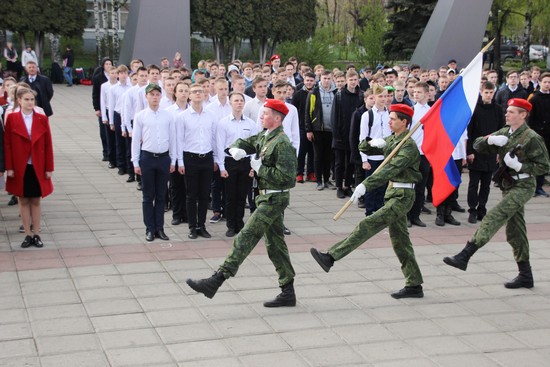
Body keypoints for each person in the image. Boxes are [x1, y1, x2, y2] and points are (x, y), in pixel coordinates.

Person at [186, 99, 298, 307]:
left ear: (277, 118)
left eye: (265, 114)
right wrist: (235, 148)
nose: (261, 116)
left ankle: (216, 280)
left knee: (245, 237)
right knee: (276, 246)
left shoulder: (282, 143)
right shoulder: (266, 135)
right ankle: (288, 291)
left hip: (275, 198)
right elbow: (248, 142)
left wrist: (259, 167)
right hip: (266, 195)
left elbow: (288, 178)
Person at [310, 104, 424, 299]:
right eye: (389, 117)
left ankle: (331, 257)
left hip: (403, 196)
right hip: (393, 193)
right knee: (401, 243)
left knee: (368, 224)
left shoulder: (408, 147)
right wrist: (372, 143)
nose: (389, 121)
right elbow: (362, 146)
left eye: (393, 118)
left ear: (405, 122)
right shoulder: (393, 140)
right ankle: (414, 284)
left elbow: (390, 170)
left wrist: (365, 185)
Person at [443, 98, 550, 289]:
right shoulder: (505, 133)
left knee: (495, 216)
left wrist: (519, 165)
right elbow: (476, 145)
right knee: (515, 231)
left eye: (512, 112)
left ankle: (465, 255)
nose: (506, 114)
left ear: (523, 115)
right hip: (508, 185)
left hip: (523, 186)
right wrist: (489, 140)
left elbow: (544, 166)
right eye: (507, 111)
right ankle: (525, 275)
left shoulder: (532, 138)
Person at [4, 87, 54, 248]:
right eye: (26, 99)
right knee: (23, 200)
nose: (30, 102)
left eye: (32, 99)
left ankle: (37, 233)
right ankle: (27, 234)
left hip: (37, 164)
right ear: (19, 100)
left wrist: (49, 167)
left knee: (36, 200)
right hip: (20, 165)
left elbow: (48, 144)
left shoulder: (41, 118)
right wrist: (9, 167)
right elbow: (8, 145)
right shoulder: (12, 119)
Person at [131, 84, 177, 242]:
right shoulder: (141, 116)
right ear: (146, 96)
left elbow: (173, 139)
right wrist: (135, 162)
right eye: (152, 94)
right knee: (147, 196)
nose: (155, 97)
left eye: (157, 94)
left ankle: (160, 228)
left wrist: (174, 159)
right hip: (147, 158)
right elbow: (136, 140)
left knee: (161, 196)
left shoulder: (167, 116)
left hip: (164, 158)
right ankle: (149, 229)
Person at [177, 83, 218, 239]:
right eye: (194, 92)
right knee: (191, 195)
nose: (198, 94)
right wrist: (180, 162)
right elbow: (179, 140)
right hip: (190, 158)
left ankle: (202, 225)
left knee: (204, 194)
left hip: (206, 157)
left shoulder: (211, 115)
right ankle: (192, 227)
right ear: (189, 95)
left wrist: (216, 159)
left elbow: (214, 139)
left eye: (200, 91)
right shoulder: (183, 117)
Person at [215, 92, 258, 237]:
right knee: (230, 195)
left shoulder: (250, 124)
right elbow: (220, 146)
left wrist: (253, 166)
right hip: (230, 162)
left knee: (242, 195)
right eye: (236, 101)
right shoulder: (223, 123)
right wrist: (221, 167)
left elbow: (254, 147)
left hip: (245, 162)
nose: (239, 103)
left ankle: (240, 223)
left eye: (241, 101)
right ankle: (231, 225)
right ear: (230, 103)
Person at [466, 81, 504, 223]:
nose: (488, 95)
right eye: (486, 92)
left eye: (491, 92)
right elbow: (469, 132)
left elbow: (501, 131)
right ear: (481, 92)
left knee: (486, 183)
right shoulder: (475, 109)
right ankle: (472, 209)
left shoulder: (498, 109)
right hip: (477, 151)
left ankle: (482, 207)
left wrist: (499, 152)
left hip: (491, 152)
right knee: (473, 183)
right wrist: (469, 151)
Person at [332, 70, 363, 199]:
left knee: (351, 162)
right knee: (339, 162)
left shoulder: (360, 95)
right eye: (351, 80)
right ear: (346, 80)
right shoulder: (339, 95)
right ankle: (339, 186)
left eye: (355, 80)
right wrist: (336, 134)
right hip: (341, 134)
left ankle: (348, 185)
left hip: (354, 134)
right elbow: (334, 116)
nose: (353, 82)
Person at [305, 70, 337, 190]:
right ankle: (319, 180)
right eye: (324, 78)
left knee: (328, 156)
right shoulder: (314, 93)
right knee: (318, 156)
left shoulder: (336, 93)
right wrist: (309, 129)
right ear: (320, 79)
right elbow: (308, 112)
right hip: (318, 129)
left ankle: (327, 179)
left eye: (329, 78)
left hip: (331, 130)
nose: (326, 81)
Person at [527, 72, 550, 197]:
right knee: (537, 160)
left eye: (549, 82)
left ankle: (540, 186)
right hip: (538, 133)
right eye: (545, 82)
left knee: (546, 161)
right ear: (540, 82)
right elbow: (530, 118)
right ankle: (534, 186)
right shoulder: (535, 98)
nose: (547, 84)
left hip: (549, 134)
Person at [92, 57, 113, 161]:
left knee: (112, 133)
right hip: (103, 108)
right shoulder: (98, 78)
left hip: (113, 108)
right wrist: (97, 108)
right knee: (104, 132)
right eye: (106, 64)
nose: (108, 66)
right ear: (103, 66)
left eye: (110, 64)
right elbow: (95, 94)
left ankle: (112, 152)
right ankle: (105, 152)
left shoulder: (115, 77)